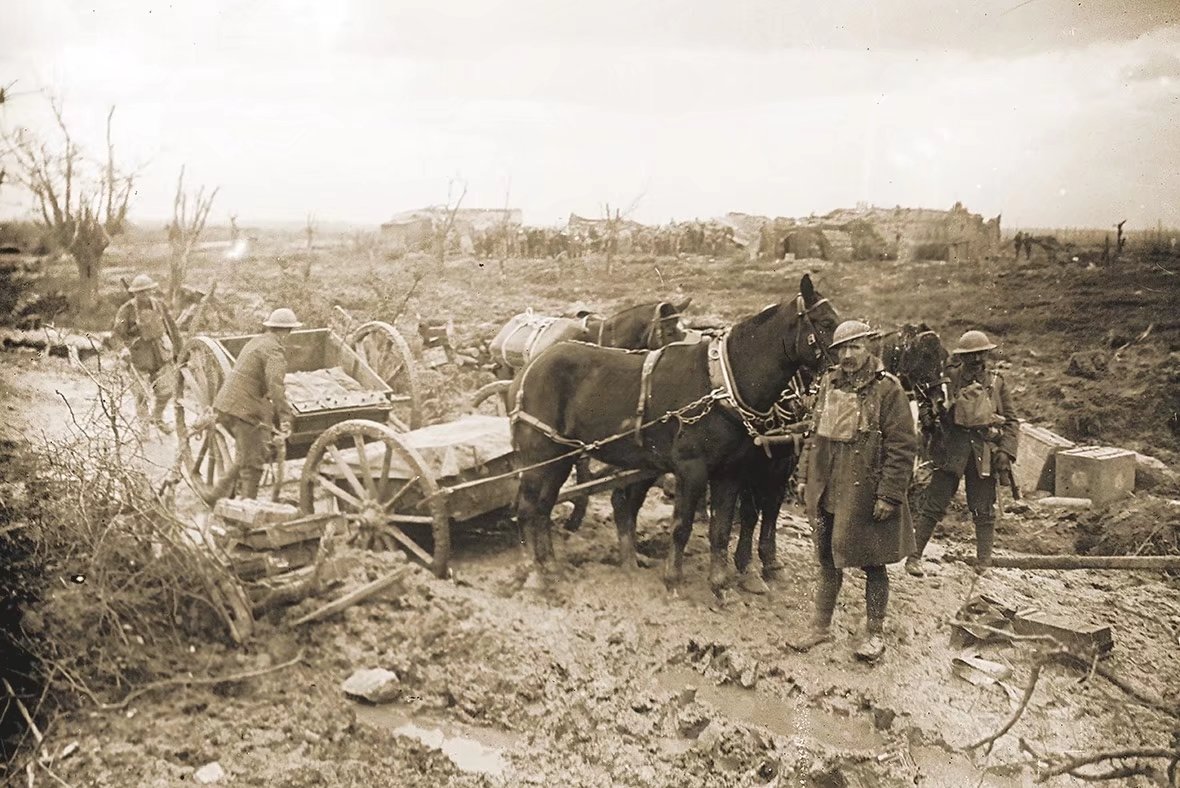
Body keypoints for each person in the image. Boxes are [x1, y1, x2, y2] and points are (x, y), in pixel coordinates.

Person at [787, 320, 918, 663]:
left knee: (874, 563)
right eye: (842, 349)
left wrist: (889, 494)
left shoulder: (888, 390)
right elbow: (815, 435)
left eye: (854, 347)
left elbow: (902, 447)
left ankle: (874, 632)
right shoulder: (830, 384)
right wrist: (804, 478)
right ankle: (820, 627)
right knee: (828, 560)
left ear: (869, 347)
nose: (847, 355)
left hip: (867, 491)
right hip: (830, 488)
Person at [906, 330, 1018, 577]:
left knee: (983, 508)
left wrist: (1006, 452)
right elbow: (927, 400)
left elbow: (1011, 420)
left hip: (982, 452)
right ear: (962, 358)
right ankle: (914, 557)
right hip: (951, 449)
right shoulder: (948, 379)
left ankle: (984, 563)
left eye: (982, 355)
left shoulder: (996, 382)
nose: (977, 361)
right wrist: (931, 418)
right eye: (971, 356)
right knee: (933, 504)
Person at [211, 308, 300, 500]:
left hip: (228, 404)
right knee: (253, 465)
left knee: (247, 455)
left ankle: (215, 496)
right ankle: (245, 512)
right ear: (285, 332)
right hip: (245, 411)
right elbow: (275, 386)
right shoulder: (275, 350)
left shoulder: (257, 341)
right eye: (290, 332)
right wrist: (285, 416)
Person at [112, 273, 182, 436]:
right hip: (138, 357)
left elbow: (172, 328)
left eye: (148, 291)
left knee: (167, 390)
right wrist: (122, 349)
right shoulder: (126, 310)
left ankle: (157, 418)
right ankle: (144, 428)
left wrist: (180, 350)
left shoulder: (159, 305)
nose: (145, 294)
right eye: (141, 292)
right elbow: (116, 334)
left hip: (160, 353)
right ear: (135, 293)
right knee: (141, 395)